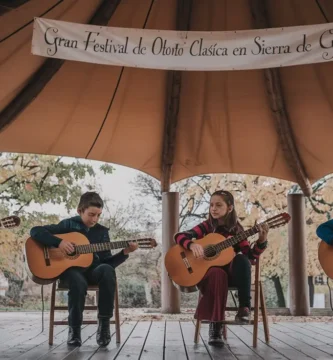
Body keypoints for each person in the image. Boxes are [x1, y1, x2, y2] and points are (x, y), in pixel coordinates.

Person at [30, 191, 138, 347]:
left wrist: (125, 252)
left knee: (107, 270)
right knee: (77, 282)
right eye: (91, 214)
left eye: (98, 215)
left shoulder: (102, 232)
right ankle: (74, 331)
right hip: (71, 272)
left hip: (93, 272)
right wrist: (58, 242)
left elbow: (108, 262)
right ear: (80, 210)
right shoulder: (68, 225)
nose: (95, 219)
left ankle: (104, 324)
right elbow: (35, 231)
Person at [174, 190, 268, 347]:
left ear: (229, 208)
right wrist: (192, 244)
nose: (213, 209)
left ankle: (244, 307)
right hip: (208, 275)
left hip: (232, 274)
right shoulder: (207, 227)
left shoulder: (237, 231)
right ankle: (215, 327)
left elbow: (251, 258)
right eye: (211, 205)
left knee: (241, 259)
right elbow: (179, 236)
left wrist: (261, 242)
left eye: (218, 205)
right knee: (217, 273)